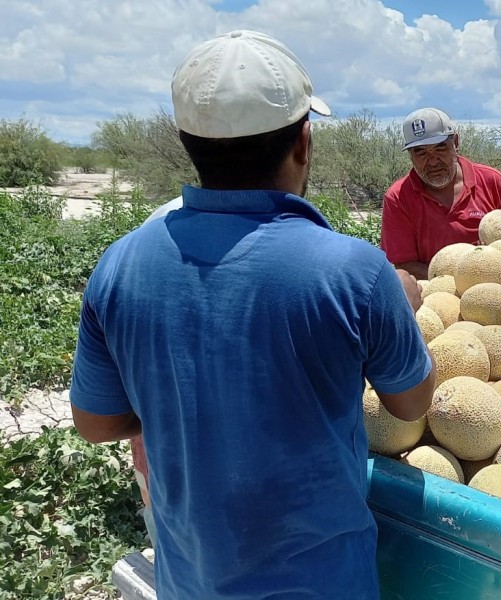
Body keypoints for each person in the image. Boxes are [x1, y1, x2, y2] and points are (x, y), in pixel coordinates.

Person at [69, 29, 436, 600]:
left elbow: (96, 424)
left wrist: (190, 411)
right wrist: (399, 314)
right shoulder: (356, 272)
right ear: (303, 142)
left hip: (190, 578)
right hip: (324, 584)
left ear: (186, 141)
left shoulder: (120, 264)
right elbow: (411, 403)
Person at [380, 107, 501, 280]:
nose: (433, 161)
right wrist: (458, 280)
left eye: (440, 148)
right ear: (411, 156)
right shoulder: (397, 198)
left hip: (496, 287)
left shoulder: (492, 181)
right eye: (421, 152)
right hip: (435, 296)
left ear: (455, 143)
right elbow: (403, 264)